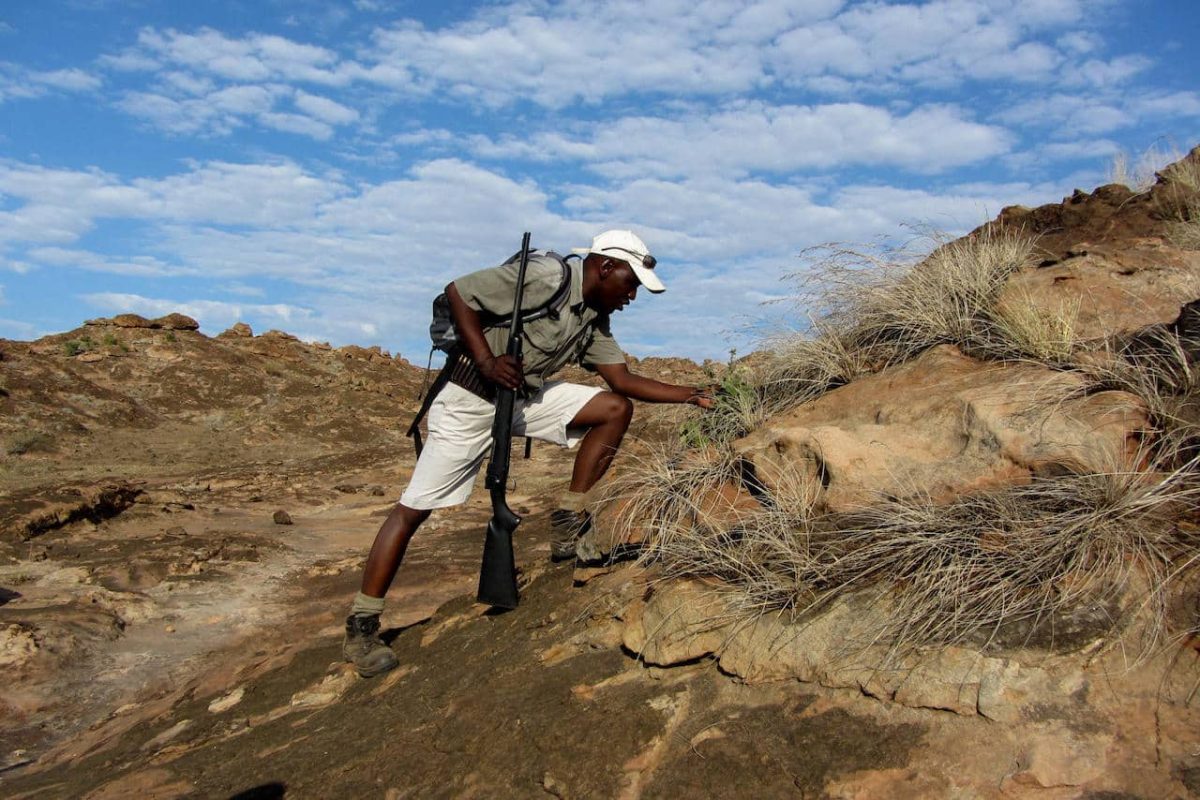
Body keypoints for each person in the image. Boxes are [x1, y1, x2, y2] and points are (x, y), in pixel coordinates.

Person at [343, 229, 713, 677]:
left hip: (519, 399)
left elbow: (623, 381)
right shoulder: (545, 276)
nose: (632, 295)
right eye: (631, 283)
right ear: (605, 267)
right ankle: (362, 624)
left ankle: (568, 519)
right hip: (470, 398)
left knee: (615, 409)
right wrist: (486, 361)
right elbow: (459, 292)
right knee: (414, 510)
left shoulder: (593, 318)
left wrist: (693, 394)